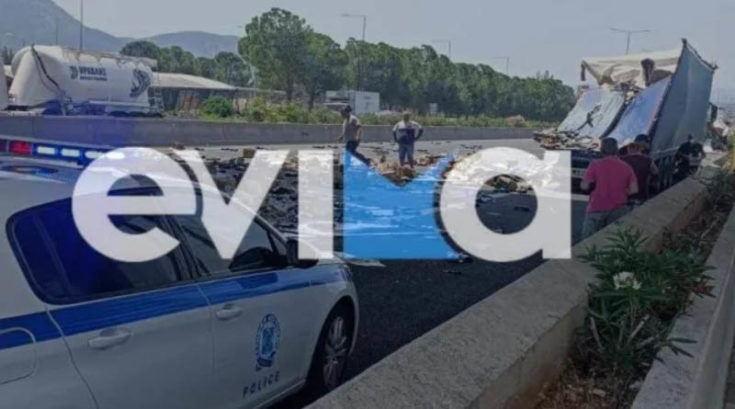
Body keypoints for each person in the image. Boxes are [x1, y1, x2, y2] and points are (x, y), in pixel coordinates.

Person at [580, 138, 638, 239]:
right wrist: (622, 193)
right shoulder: (626, 167)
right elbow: (634, 190)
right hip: (618, 209)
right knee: (614, 240)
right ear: (616, 149)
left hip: (597, 207)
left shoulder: (595, 164)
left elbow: (584, 186)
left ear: (602, 149)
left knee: (588, 241)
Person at [622, 136, 659, 205]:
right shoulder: (648, 160)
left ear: (628, 150)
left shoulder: (621, 160)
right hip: (641, 195)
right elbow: (655, 172)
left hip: (625, 195)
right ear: (640, 149)